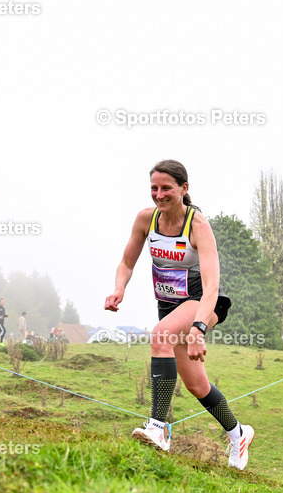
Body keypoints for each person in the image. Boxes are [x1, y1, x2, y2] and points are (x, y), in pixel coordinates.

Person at [104, 159, 254, 470]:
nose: (159, 195)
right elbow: (127, 262)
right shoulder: (146, 220)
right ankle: (238, 433)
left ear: (184, 189)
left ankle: (157, 429)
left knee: (161, 335)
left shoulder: (198, 226)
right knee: (197, 386)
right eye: (154, 188)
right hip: (170, 307)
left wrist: (198, 328)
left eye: (166, 188)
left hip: (203, 303)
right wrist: (119, 289)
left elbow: (212, 285)